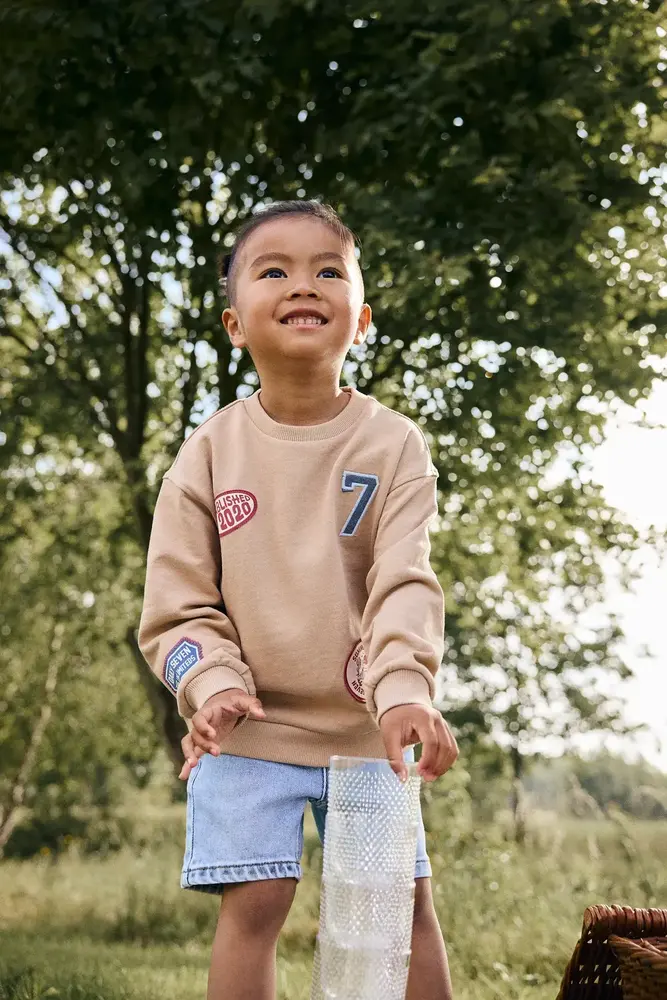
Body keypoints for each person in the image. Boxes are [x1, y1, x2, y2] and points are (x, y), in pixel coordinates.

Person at [138, 200, 458, 1000]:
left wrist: (405, 693)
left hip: (366, 730)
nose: (300, 283)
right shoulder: (207, 452)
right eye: (272, 269)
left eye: (326, 270)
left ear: (361, 318)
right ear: (234, 323)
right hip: (247, 732)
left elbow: (403, 583)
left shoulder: (393, 446)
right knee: (255, 903)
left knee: (401, 912)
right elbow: (176, 603)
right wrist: (209, 686)